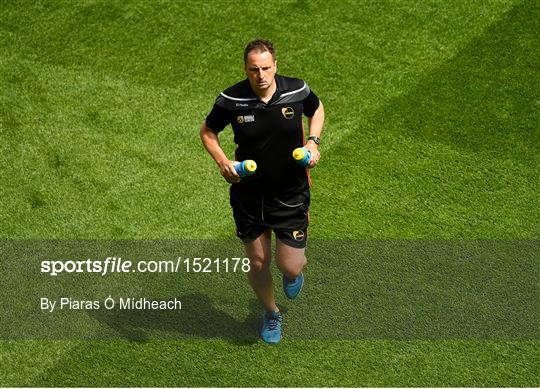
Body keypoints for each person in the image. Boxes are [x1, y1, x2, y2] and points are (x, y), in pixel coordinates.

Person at [200, 39, 325, 344]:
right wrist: (223, 162)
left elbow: (316, 108)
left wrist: (313, 142)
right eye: (254, 69)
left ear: (275, 66)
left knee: (290, 264)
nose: (261, 75)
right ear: (246, 69)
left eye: (266, 68)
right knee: (257, 262)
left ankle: (293, 274)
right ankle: (271, 313)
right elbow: (208, 131)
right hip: (249, 193)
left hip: (290, 192)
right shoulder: (232, 98)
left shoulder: (295, 90)